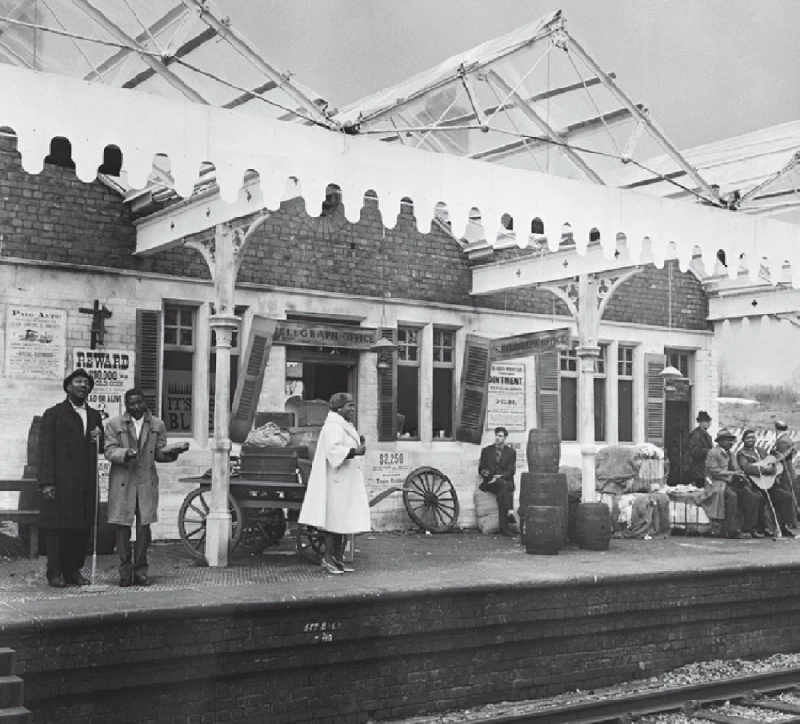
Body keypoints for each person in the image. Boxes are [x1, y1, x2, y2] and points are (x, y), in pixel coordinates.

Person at [104, 388, 190, 587]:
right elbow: (109, 451)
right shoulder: (113, 424)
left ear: (145, 402)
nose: (136, 407)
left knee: (144, 527)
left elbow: (158, 454)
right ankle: (125, 571)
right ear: (126, 405)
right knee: (122, 527)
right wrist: (126, 453)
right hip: (123, 480)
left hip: (146, 480)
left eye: (139, 403)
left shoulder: (157, 424)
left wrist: (173, 452)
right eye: (131, 404)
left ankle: (141, 570)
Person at [38, 368, 104, 588]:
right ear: (68, 386)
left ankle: (73, 571)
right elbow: (45, 450)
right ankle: (55, 573)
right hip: (61, 481)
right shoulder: (54, 414)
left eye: (86, 383)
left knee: (81, 527)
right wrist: (47, 482)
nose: (83, 386)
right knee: (58, 528)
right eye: (78, 381)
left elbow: (100, 448)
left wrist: (99, 437)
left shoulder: (94, 416)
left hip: (85, 482)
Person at [298, 392, 371, 575]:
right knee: (334, 523)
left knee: (343, 523)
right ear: (339, 408)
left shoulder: (344, 425)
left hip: (345, 481)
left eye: (353, 406)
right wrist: (355, 451)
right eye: (350, 406)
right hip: (336, 482)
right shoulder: (332, 426)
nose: (353, 409)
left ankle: (338, 559)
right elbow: (334, 450)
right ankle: (327, 559)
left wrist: (357, 445)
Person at [701, 428, 762, 539]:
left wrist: (740, 476)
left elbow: (738, 469)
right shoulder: (713, 453)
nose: (730, 443)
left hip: (732, 483)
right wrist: (733, 474)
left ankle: (750, 529)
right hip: (717, 484)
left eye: (731, 440)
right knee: (732, 497)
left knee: (753, 497)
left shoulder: (732, 454)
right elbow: (714, 471)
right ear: (720, 441)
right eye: (727, 440)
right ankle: (733, 531)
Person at [737, 429, 794, 538]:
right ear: (743, 440)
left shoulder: (761, 451)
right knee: (758, 498)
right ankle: (758, 529)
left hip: (767, 484)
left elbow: (771, 464)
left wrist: (772, 470)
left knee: (786, 496)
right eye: (748, 438)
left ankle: (784, 526)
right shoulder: (742, 453)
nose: (751, 440)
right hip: (753, 484)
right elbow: (746, 468)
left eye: (752, 438)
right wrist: (763, 470)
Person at [478, 426, 517, 537]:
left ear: (505, 438)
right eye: (496, 436)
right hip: (490, 483)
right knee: (503, 487)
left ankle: (503, 527)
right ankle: (510, 511)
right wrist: (487, 474)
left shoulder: (511, 452)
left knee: (502, 493)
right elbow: (481, 468)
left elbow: (511, 471)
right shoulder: (486, 451)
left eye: (500, 436)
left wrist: (500, 476)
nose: (497, 438)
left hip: (503, 481)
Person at [771, 420, 798, 527]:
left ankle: (791, 521)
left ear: (776, 428)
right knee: (790, 494)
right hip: (788, 469)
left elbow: (781, 459)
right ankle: (792, 520)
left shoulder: (782, 441)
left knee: (788, 494)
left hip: (785, 471)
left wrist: (778, 475)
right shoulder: (786, 438)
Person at [688, 411, 713, 489]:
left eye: (709, 421)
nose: (708, 423)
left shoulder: (706, 434)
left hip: (705, 469)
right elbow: (694, 451)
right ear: (700, 422)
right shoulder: (696, 435)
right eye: (705, 421)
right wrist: (709, 451)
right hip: (699, 470)